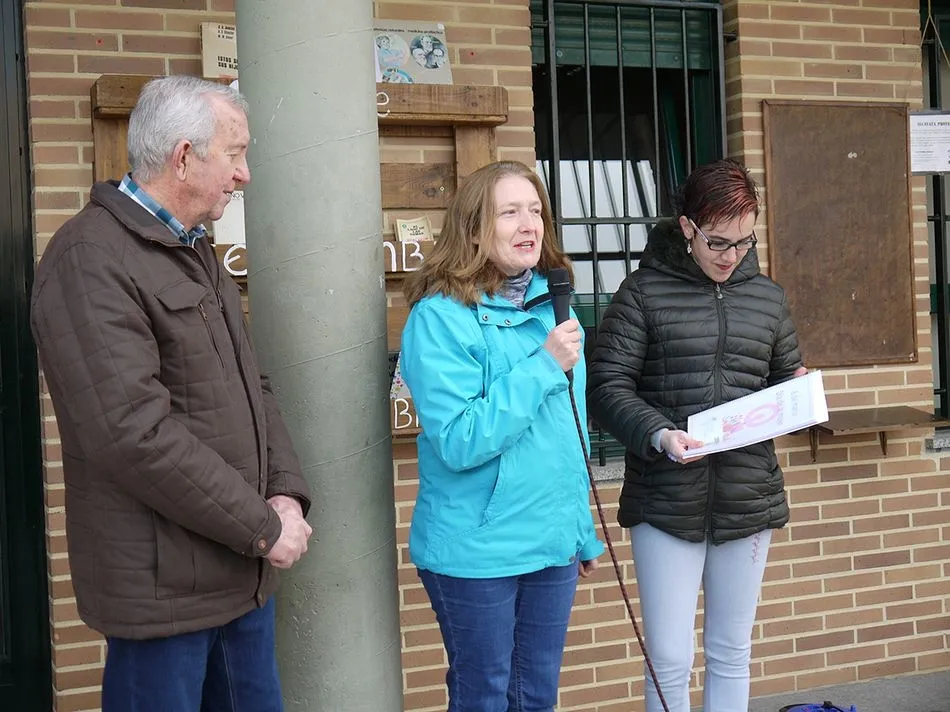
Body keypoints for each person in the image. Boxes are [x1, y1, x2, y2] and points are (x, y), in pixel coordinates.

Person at [30, 76, 313, 712]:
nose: (244, 174)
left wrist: (285, 495)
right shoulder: (89, 258)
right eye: (235, 153)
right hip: (165, 599)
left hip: (238, 580)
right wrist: (262, 527)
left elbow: (252, 385)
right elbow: (132, 433)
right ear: (185, 157)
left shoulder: (193, 250)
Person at [586, 159, 806, 712]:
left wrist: (797, 393)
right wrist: (658, 434)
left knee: (732, 651)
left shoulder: (769, 299)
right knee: (669, 658)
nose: (731, 256)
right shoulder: (641, 293)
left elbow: (782, 379)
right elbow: (606, 387)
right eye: (716, 242)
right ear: (686, 229)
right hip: (665, 499)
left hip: (747, 497)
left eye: (743, 241)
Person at [400, 160, 604, 712]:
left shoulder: (554, 308)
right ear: (473, 229)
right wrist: (541, 367)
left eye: (535, 211)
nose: (529, 224)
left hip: (550, 542)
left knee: (536, 695)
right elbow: (461, 439)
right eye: (510, 212)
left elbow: (569, 432)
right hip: (477, 548)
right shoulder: (439, 318)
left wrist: (580, 527)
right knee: (485, 695)